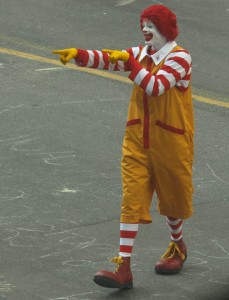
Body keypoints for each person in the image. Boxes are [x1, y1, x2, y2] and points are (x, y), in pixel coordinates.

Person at [52, 4, 194, 289]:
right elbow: (109, 59)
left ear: (165, 30)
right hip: (137, 141)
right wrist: (80, 55)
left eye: (151, 26)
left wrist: (130, 64)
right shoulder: (140, 54)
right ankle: (123, 267)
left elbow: (155, 86)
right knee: (131, 199)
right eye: (143, 25)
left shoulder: (181, 58)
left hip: (171, 142)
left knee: (172, 202)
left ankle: (178, 245)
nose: (145, 30)